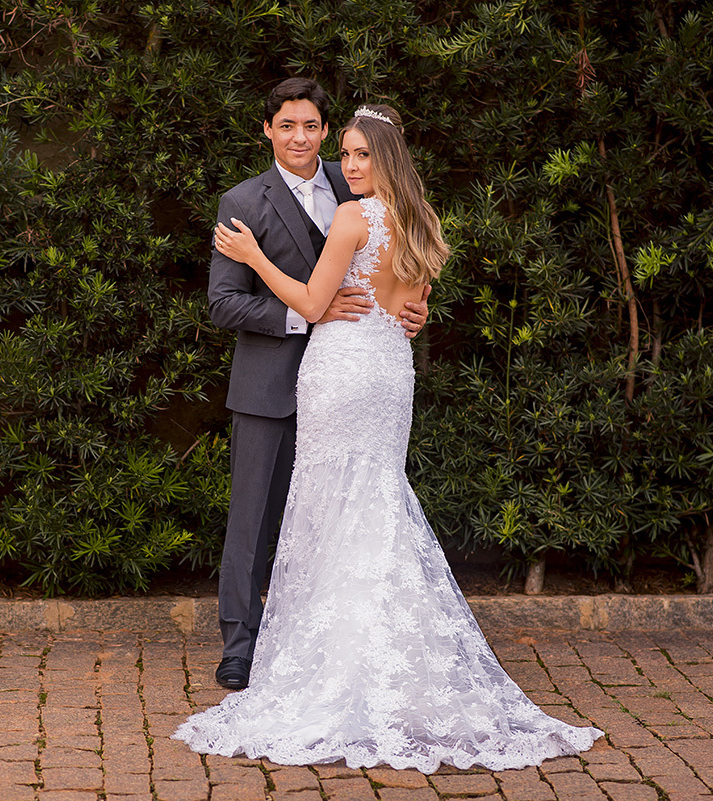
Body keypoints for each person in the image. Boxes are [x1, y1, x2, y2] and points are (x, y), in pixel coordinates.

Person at [175, 104, 604, 772]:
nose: (347, 165)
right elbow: (410, 302)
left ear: (385, 156)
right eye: (344, 154)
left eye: (358, 154)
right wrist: (412, 305)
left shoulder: (352, 215)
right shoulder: (422, 220)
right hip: (388, 373)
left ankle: (342, 665)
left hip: (341, 369)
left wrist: (255, 254)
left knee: (332, 508)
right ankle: (384, 655)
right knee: (374, 501)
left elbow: (315, 305)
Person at [207, 78, 430, 692]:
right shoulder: (242, 201)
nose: (300, 136)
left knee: (331, 510)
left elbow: (400, 259)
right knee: (254, 516)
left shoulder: (356, 180)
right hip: (270, 380)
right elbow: (222, 304)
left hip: (348, 377)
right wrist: (303, 313)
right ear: (268, 131)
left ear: (326, 131)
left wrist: (416, 308)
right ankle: (240, 646)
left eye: (310, 126)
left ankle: (327, 641)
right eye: (287, 126)